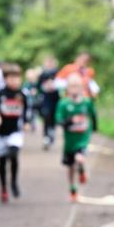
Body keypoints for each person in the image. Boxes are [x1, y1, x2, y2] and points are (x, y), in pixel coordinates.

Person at [55, 73, 98, 202]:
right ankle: (73, 189)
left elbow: (94, 115)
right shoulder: (63, 104)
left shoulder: (87, 102)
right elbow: (58, 119)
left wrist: (95, 127)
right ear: (67, 88)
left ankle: (82, 169)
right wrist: (69, 121)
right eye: (71, 86)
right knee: (70, 167)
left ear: (82, 87)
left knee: (79, 158)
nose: (74, 89)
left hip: (83, 139)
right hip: (69, 141)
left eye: (77, 86)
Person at [0, 64, 30, 203]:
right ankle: (3, 188)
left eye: (17, 78)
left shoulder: (22, 95)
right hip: (0, 132)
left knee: (13, 154)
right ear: (5, 79)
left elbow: (26, 111)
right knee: (1, 162)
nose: (14, 81)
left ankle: (13, 182)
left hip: (15, 132)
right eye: (11, 78)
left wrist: (26, 122)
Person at [36, 55, 60, 150]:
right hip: (46, 100)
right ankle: (46, 136)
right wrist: (44, 88)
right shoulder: (43, 74)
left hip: (56, 99)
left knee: (54, 117)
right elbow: (38, 87)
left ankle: (51, 133)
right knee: (46, 116)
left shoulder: (58, 74)